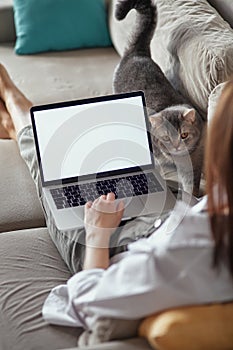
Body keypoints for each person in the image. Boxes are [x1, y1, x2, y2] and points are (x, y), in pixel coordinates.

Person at [0, 63, 233, 332]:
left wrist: (97, 233)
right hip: (170, 220)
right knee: (132, 168)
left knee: (48, 164)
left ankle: (13, 106)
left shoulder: (177, 260)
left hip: (119, 244)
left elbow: (87, 301)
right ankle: (18, 123)